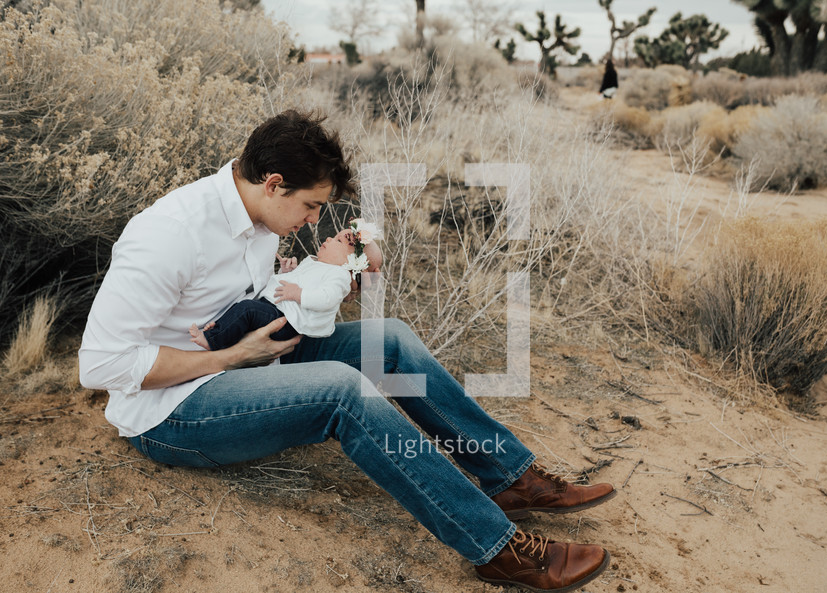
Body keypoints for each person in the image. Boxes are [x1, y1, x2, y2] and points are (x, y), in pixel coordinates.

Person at [78, 109, 617, 592]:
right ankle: (497, 550)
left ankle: (512, 478)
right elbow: (101, 365)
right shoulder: (169, 233)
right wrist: (230, 357)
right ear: (273, 184)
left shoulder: (260, 218)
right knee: (344, 393)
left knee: (391, 340)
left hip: (252, 361)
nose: (314, 221)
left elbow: (258, 303)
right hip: (171, 413)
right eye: (311, 206)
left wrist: (324, 286)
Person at [188, 220, 383, 350]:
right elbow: (291, 286)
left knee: (246, 310)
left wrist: (298, 294)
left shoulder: (339, 276)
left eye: (339, 241)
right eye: (335, 235)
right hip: (279, 309)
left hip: (287, 320)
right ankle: (221, 330)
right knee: (244, 310)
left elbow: (326, 299)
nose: (330, 238)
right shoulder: (318, 264)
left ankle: (212, 341)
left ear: (351, 265)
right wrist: (286, 273)